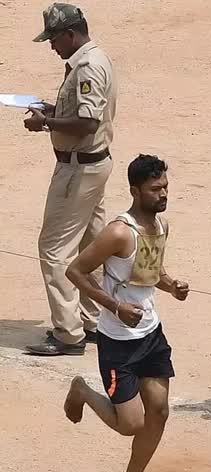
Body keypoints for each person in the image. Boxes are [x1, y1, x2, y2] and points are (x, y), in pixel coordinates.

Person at [63, 155, 188, 472]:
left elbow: (151, 271)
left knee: (160, 410)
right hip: (118, 341)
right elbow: (75, 271)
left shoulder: (161, 226)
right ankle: (82, 391)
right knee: (130, 423)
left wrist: (172, 285)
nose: (163, 194)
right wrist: (115, 306)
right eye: (154, 189)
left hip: (151, 335)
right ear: (135, 191)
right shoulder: (119, 232)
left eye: (164, 186)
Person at [25, 3, 118, 356]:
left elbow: (87, 123)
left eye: (53, 39)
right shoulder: (96, 58)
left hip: (79, 168)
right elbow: (82, 114)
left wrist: (45, 122)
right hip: (94, 165)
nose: (51, 46)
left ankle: (68, 332)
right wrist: (55, 110)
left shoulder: (88, 67)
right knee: (91, 247)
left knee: (53, 249)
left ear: (70, 34)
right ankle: (92, 320)